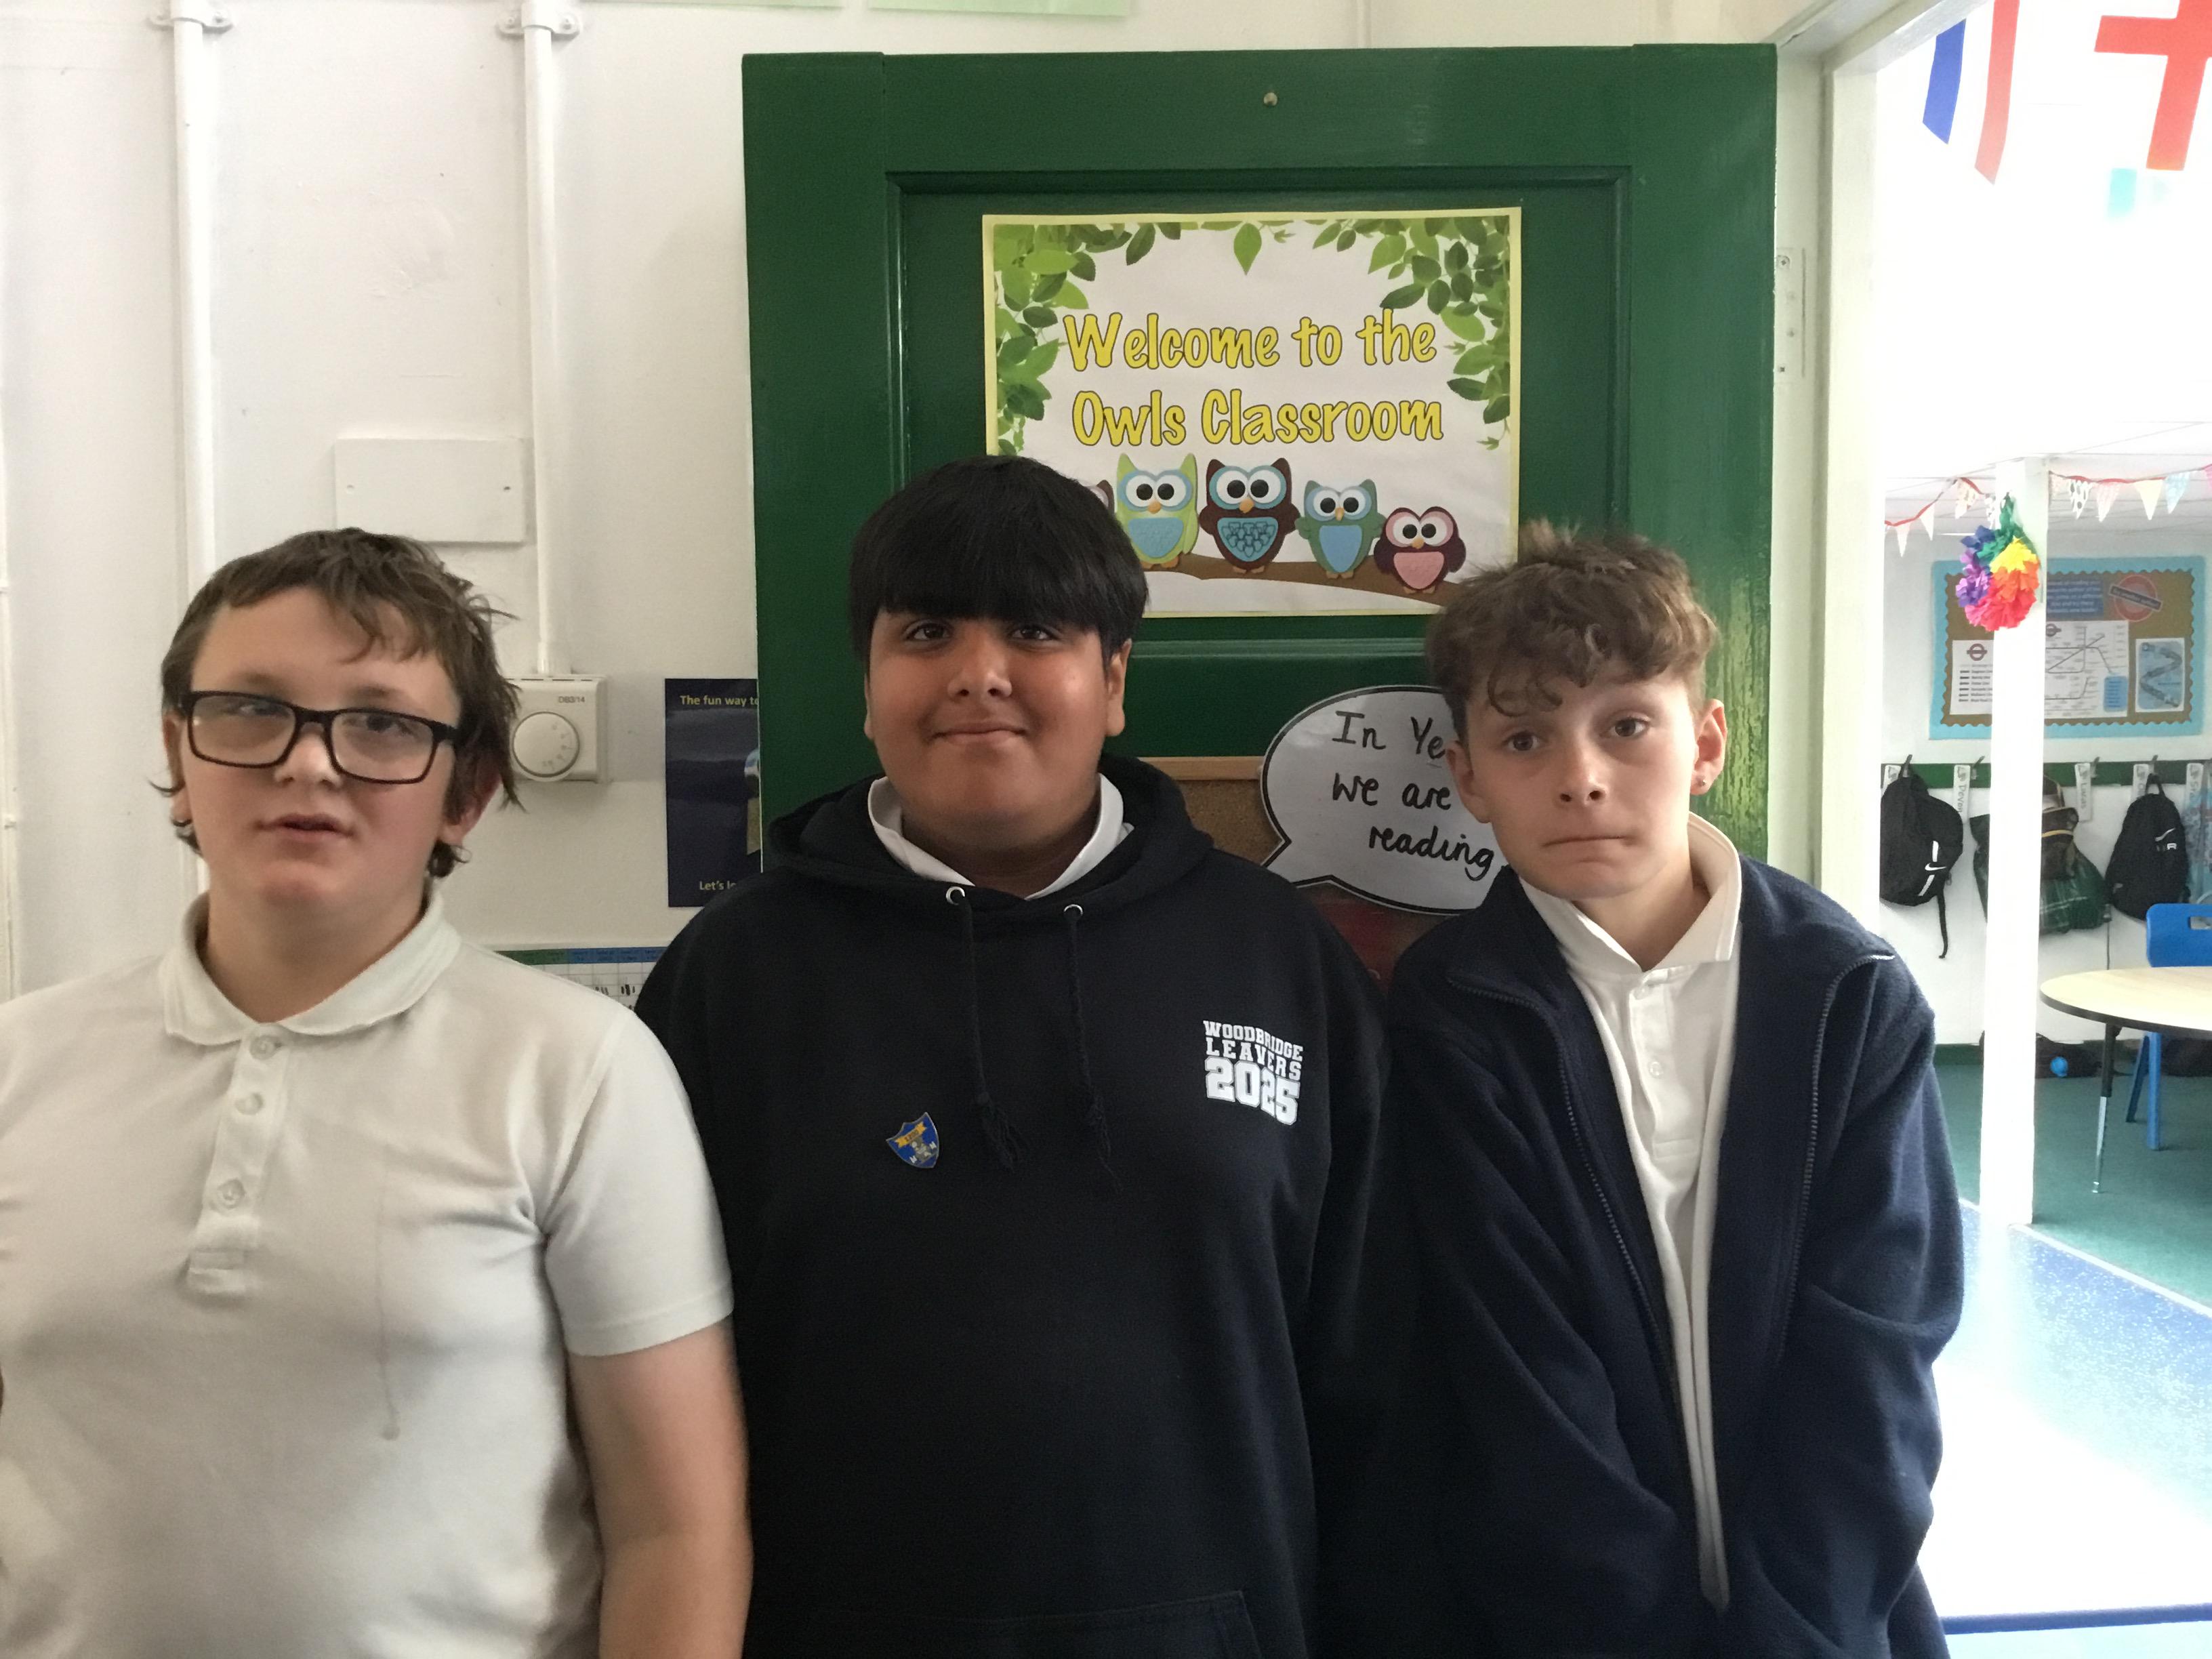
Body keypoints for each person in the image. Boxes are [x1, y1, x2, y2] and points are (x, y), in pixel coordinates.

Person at [635, 454, 1397, 1659]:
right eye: (926, 631)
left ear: (1115, 678)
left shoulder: (1279, 960)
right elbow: (653, 1394)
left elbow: (1375, 1365)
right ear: (869, 685)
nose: (978, 673)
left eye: (1035, 629)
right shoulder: (732, 978)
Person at [0, 529, 748, 1659]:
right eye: (250, 711)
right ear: (178, 754)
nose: (309, 764)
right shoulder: (23, 1065)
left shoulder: (579, 1072)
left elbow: (675, 1530)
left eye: (382, 725)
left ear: (467, 791)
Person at [1389, 524, 1962, 1656]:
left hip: (1831, 1619)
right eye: (1524, 738)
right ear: (1468, 779)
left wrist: (1798, 1631)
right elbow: (1520, 1381)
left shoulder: (1848, 996)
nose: (1581, 776)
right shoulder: (1452, 1013)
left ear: (1704, 745)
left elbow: (1876, 1357)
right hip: (1568, 1626)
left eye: (1627, 726)